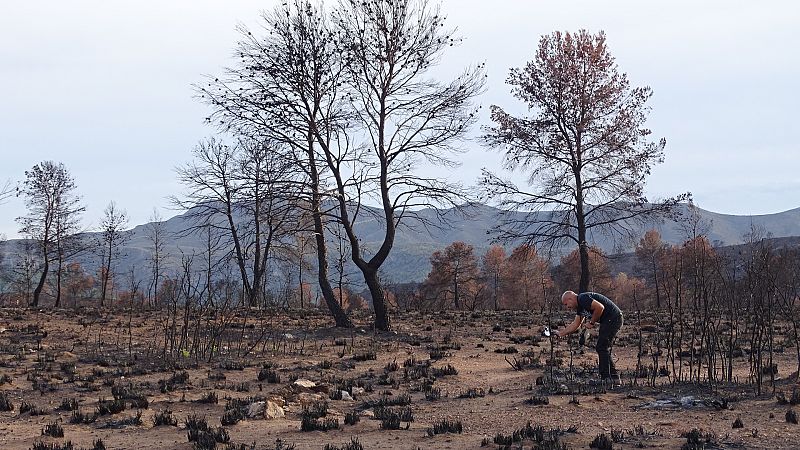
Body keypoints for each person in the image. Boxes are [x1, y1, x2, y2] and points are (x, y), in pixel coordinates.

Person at [553, 290, 624, 385]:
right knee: (602, 347)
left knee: (602, 347)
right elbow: (576, 324)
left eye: (566, 304)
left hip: (613, 318)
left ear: (570, 298)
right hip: (609, 320)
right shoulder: (581, 307)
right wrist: (561, 333)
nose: (567, 307)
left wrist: (591, 322)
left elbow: (600, 307)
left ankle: (608, 378)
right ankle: (612, 378)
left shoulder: (583, 298)